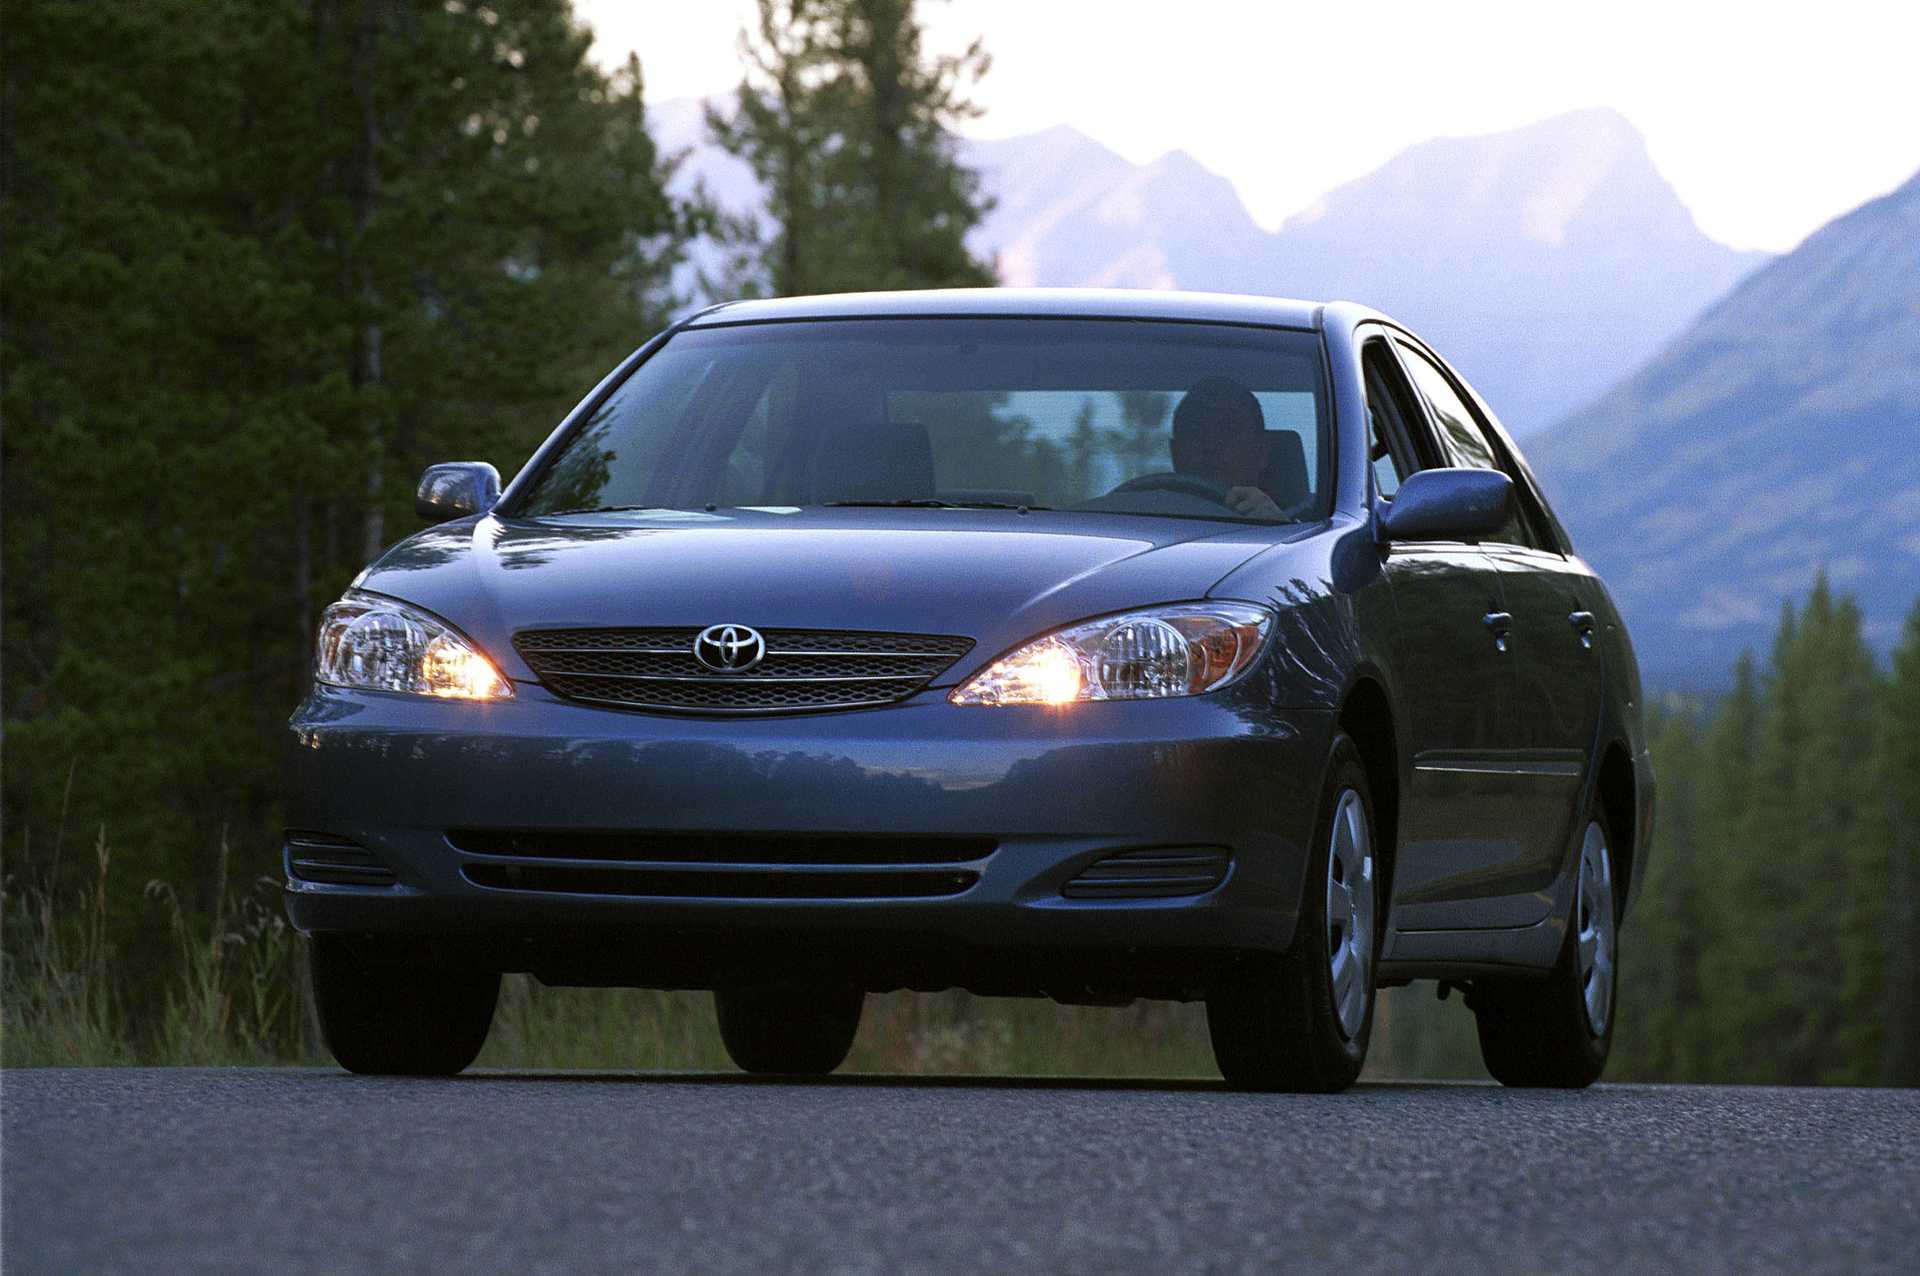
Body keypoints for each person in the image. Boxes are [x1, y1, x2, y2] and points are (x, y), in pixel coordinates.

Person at [1169, 377, 1283, 518]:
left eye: (1228, 430)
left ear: (1262, 451)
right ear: (1175, 453)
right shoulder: (1141, 518)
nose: (1210, 445)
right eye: (1196, 431)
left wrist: (1277, 524)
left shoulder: (1305, 533)